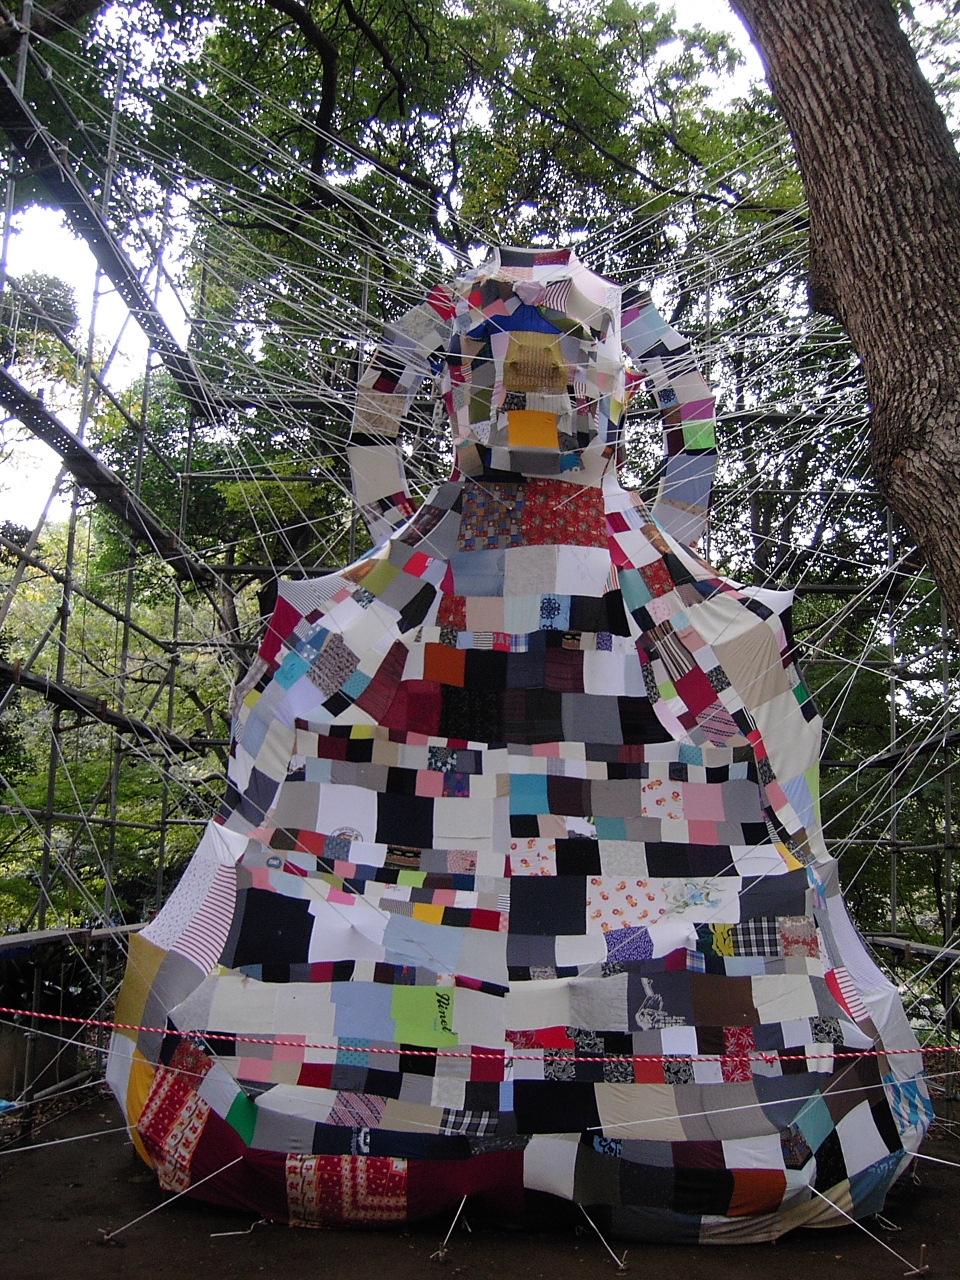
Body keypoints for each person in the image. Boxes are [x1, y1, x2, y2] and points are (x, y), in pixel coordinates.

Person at [107, 245, 930, 1241]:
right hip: (440, 825)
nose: (530, 396)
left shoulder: (676, 611)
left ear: (616, 393)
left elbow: (773, 773)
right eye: (495, 369)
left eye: (564, 366)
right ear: (452, 392)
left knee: (752, 871)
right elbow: (279, 737)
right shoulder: (394, 599)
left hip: (602, 798)